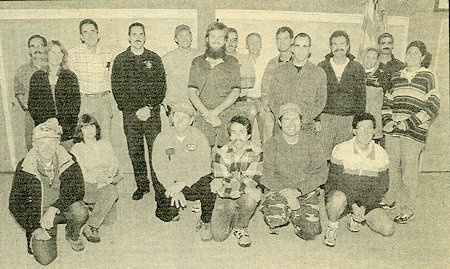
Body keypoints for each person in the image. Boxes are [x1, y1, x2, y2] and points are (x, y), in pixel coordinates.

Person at [9, 118, 88, 265]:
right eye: (41, 142)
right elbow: (15, 204)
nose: (47, 147)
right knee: (45, 259)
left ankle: (72, 234)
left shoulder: (69, 159)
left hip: (61, 208)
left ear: (58, 142)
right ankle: (42, 233)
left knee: (81, 212)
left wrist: (54, 209)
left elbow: (78, 189)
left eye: (51, 142)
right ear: (34, 144)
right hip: (39, 216)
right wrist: (34, 228)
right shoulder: (24, 166)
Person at [381, 41, 440, 223]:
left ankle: (407, 208)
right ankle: (390, 199)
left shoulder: (428, 76)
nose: (411, 56)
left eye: (416, 53)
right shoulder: (396, 76)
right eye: (409, 52)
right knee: (391, 168)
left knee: (409, 172)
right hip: (393, 131)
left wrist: (409, 123)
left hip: (414, 132)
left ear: (423, 57)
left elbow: (433, 105)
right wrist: (388, 121)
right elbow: (387, 102)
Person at [112, 22, 166, 201]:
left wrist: (148, 107)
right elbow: (117, 89)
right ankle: (142, 186)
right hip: (130, 115)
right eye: (133, 34)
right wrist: (134, 110)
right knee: (135, 152)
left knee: (155, 152)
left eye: (140, 34)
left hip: (151, 113)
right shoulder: (120, 60)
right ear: (128, 37)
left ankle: (159, 188)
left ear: (145, 36)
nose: (137, 37)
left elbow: (161, 87)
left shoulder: (154, 58)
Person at [323, 113, 394, 247]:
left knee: (388, 229)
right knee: (336, 199)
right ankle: (333, 226)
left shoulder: (381, 154)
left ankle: (355, 218)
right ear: (354, 131)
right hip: (344, 195)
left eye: (369, 128)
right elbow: (335, 182)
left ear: (374, 131)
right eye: (361, 128)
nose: (365, 132)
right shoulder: (341, 149)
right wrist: (354, 205)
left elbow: (382, 187)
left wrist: (364, 206)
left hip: (365, 200)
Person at [260, 103, 328, 240]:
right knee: (275, 219)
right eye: (286, 119)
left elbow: (321, 173)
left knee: (311, 232)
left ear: (301, 121)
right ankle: (278, 207)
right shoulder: (271, 144)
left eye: (295, 119)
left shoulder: (313, 143)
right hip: (280, 190)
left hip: (305, 190)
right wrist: (287, 194)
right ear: (279, 122)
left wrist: (298, 191)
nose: (292, 124)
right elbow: (266, 175)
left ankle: (294, 212)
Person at [152, 102, 216, 241]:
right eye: (176, 116)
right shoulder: (162, 138)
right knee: (165, 216)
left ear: (192, 120)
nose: (180, 121)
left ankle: (205, 221)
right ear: (171, 118)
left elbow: (204, 166)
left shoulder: (199, 137)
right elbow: (159, 166)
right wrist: (172, 187)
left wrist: (183, 183)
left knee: (210, 185)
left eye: (185, 117)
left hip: (191, 180)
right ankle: (173, 206)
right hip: (171, 181)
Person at [210, 115, 263, 247]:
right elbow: (220, 181)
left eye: (242, 132)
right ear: (229, 136)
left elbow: (252, 181)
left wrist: (236, 185)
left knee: (252, 198)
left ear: (249, 135)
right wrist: (239, 186)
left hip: (242, 194)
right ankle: (232, 212)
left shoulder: (257, 153)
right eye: (233, 132)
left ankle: (241, 226)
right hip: (226, 195)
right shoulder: (221, 153)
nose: (237, 137)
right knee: (218, 236)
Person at [188, 22, 241, 148]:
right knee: (202, 151)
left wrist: (215, 112)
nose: (216, 40)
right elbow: (191, 92)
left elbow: (235, 92)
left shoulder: (232, 62)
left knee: (226, 153)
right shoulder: (197, 62)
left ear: (225, 41)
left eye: (220, 37)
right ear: (207, 39)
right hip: (203, 114)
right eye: (213, 36)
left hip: (226, 112)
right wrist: (207, 114)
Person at [71, 114, 120, 243]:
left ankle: (94, 207)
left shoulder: (105, 144)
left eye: (92, 126)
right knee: (111, 192)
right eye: (85, 127)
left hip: (105, 182)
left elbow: (114, 163)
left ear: (96, 128)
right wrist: (99, 179)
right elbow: (81, 174)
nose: (89, 130)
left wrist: (111, 172)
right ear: (80, 130)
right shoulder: (77, 149)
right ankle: (91, 226)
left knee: (110, 220)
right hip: (88, 185)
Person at [317, 30, 366, 160]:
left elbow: (361, 98)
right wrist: (316, 119)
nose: (338, 47)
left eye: (342, 44)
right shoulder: (322, 67)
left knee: (343, 157)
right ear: (330, 46)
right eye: (335, 44)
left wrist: (357, 123)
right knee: (322, 157)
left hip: (347, 120)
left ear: (348, 45)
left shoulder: (357, 68)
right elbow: (316, 95)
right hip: (326, 119)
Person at [269, 32, 327, 132]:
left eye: (305, 46)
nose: (301, 50)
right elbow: (273, 98)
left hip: (306, 126)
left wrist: (304, 119)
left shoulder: (318, 73)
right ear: (292, 48)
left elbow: (320, 101)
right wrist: (282, 118)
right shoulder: (280, 71)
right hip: (282, 127)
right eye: (297, 46)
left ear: (310, 49)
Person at [28, 40, 80, 149]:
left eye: (59, 53)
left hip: (66, 130)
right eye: (52, 52)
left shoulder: (70, 77)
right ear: (46, 55)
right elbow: (33, 106)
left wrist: (61, 124)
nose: (56, 56)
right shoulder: (37, 77)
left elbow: (74, 106)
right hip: (44, 130)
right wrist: (48, 123)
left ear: (63, 55)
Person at [68, 19, 113, 141]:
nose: (90, 35)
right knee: (86, 139)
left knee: (105, 140)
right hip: (85, 101)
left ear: (98, 34)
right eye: (86, 32)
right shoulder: (73, 54)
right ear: (81, 37)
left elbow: (109, 78)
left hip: (103, 100)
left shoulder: (107, 53)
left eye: (93, 31)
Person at [161, 24, 200, 129]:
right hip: (175, 107)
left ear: (191, 37)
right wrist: (164, 101)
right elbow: (157, 82)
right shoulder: (167, 58)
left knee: (192, 140)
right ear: (175, 39)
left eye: (187, 35)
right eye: (181, 36)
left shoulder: (200, 56)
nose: (184, 38)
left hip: (194, 107)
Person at [260, 26, 293, 141]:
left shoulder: (297, 62)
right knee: (267, 121)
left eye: (285, 38)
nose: (281, 42)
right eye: (278, 39)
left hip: (292, 108)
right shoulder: (272, 63)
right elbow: (265, 87)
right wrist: (268, 107)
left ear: (292, 41)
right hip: (273, 108)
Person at [14, 34, 47, 150]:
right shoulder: (22, 71)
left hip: (52, 115)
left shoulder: (52, 67)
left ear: (45, 48)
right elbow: (19, 93)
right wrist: (33, 109)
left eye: (40, 45)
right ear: (29, 50)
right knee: (33, 148)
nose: (37, 49)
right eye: (33, 46)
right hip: (31, 116)